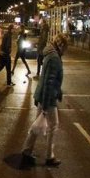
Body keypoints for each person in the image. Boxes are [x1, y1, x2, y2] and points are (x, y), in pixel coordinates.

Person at [22, 34, 68, 167]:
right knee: (53, 126)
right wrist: (48, 105)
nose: (65, 51)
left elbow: (48, 79)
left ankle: (26, 150)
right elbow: (50, 81)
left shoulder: (50, 54)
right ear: (61, 46)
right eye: (65, 47)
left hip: (43, 95)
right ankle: (49, 156)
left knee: (37, 125)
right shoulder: (54, 58)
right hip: (48, 97)